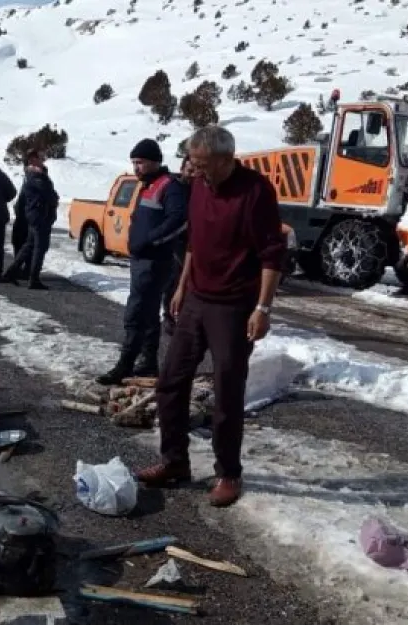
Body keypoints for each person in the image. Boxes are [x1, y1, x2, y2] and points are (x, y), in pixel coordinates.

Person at [135, 125, 287, 508]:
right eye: (191, 162)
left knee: (227, 389)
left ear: (224, 159)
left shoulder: (255, 192)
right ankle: (174, 462)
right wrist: (184, 287)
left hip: (235, 306)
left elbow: (273, 255)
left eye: (201, 164)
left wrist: (263, 309)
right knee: (170, 380)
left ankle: (228, 473)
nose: (193, 169)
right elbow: (194, 244)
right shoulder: (200, 186)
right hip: (197, 299)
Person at [96, 139, 188, 384]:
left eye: (140, 162)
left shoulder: (169, 186)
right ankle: (147, 362)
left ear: (154, 161)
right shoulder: (148, 185)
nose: (136, 167)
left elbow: (179, 220)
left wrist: (150, 240)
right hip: (142, 260)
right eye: (133, 163)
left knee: (136, 311)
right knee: (147, 313)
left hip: (155, 261)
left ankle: (125, 364)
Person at [4, 150, 59, 290]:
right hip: (39, 216)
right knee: (39, 248)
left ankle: (11, 272)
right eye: (40, 157)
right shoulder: (35, 176)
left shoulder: (35, 175)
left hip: (37, 215)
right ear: (33, 160)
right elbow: (48, 193)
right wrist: (54, 198)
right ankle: (33, 279)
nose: (43, 159)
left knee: (29, 246)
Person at [161, 155, 196, 337]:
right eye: (190, 170)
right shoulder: (173, 189)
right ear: (182, 169)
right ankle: (170, 317)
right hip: (175, 245)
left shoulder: (201, 190)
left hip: (194, 245)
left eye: (196, 171)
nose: (192, 175)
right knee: (174, 282)